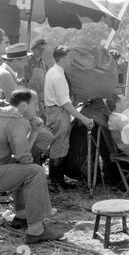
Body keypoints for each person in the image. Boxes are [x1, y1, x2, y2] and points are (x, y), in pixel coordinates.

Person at [0, 89, 62, 244]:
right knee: (35, 171)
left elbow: (20, 157)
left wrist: (34, 132)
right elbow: (24, 159)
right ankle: (36, 230)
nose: (38, 109)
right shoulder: (17, 120)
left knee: (22, 168)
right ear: (24, 105)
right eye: (36, 104)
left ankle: (22, 214)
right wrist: (34, 132)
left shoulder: (3, 117)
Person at [44, 45, 94, 191]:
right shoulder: (58, 76)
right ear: (64, 58)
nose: (72, 61)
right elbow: (65, 103)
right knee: (59, 146)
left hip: (55, 111)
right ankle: (55, 182)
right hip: (58, 112)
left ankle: (58, 180)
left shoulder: (53, 71)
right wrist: (83, 118)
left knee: (59, 145)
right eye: (70, 58)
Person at [24, 39, 50, 119]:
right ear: (33, 49)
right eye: (39, 49)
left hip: (41, 100)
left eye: (43, 49)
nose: (41, 51)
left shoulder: (45, 65)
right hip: (28, 98)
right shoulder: (25, 61)